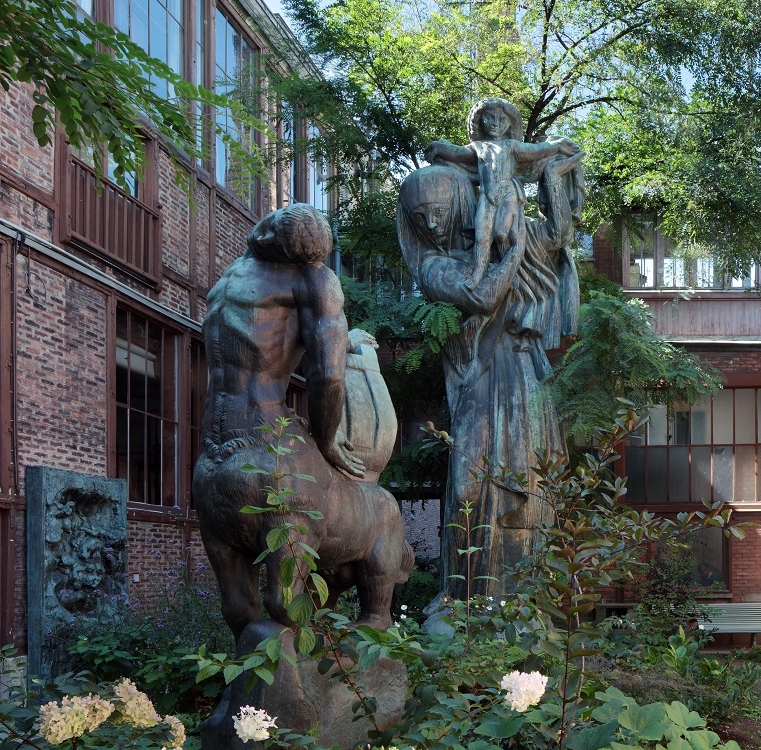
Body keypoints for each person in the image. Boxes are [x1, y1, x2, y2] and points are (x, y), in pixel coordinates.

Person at [192, 203, 412, 640]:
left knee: (237, 602)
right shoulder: (314, 279)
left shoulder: (230, 280)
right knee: (282, 590)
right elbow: (327, 375)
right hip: (266, 441)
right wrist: (327, 440)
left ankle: (262, 687)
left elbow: (266, 336)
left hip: (212, 455)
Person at [398, 142, 582, 607]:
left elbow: (558, 234)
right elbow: (482, 296)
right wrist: (515, 251)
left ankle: (520, 601)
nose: (432, 221)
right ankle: (463, 598)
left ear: (460, 203)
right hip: (478, 378)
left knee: (531, 485)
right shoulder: (434, 267)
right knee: (467, 486)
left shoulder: (507, 234)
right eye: (422, 215)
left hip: (522, 370)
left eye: (439, 210)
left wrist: (555, 178)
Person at [424, 97, 576, 290]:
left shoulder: (512, 146)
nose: (495, 123)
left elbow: (538, 150)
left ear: (509, 124)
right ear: (480, 121)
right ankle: (478, 272)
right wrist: (439, 147)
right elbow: (457, 153)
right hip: (487, 197)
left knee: (501, 232)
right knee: (481, 235)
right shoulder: (478, 147)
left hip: (507, 193)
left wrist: (558, 146)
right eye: (489, 118)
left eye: (501, 119)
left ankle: (510, 273)